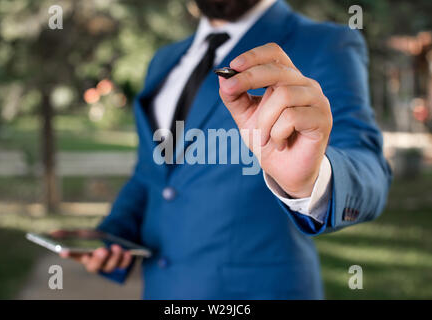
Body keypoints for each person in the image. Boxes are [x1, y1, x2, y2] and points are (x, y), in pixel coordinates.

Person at [61, 0, 392, 299]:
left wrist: (312, 180)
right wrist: (113, 237)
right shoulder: (163, 60)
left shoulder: (325, 44)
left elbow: (369, 169)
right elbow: (153, 175)